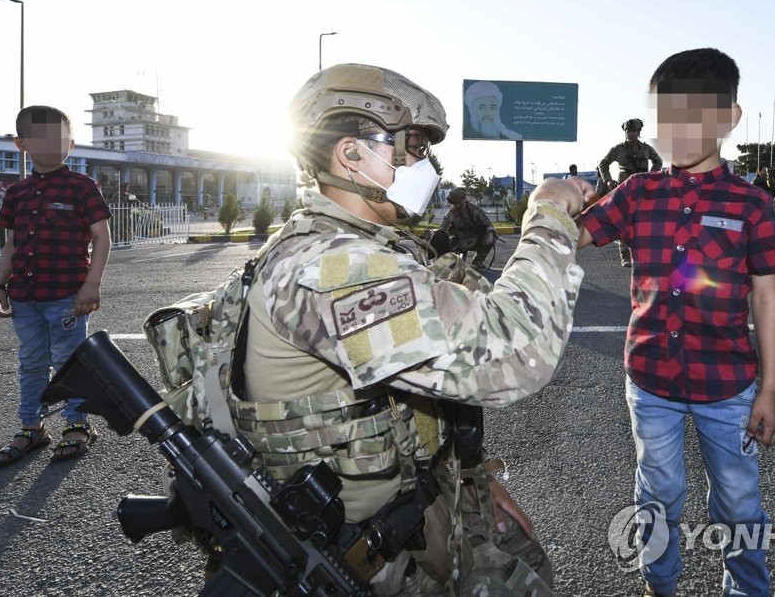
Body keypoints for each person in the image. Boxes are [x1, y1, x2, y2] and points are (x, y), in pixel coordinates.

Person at [235, 63, 593, 595]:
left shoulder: (370, 249)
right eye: (414, 146)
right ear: (352, 154)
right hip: (360, 561)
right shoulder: (327, 270)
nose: (425, 163)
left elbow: (419, 390)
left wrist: (475, 482)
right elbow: (512, 351)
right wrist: (547, 215)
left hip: (417, 512)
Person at [579, 48, 775, 597]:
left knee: (739, 501)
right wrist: (552, 204)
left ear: (728, 118)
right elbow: (573, 235)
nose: (678, 128)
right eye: (666, 115)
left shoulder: (751, 204)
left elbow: (767, 301)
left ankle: (747, 589)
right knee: (658, 494)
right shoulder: (638, 192)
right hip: (650, 382)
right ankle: (660, 584)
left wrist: (769, 390)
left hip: (729, 387)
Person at [0, 106, 112, 467]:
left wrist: (92, 284)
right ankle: (31, 428)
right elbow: (10, 247)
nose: (54, 144)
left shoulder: (82, 187)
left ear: (71, 142)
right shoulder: (17, 193)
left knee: (69, 362)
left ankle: (77, 425)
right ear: (21, 143)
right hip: (24, 299)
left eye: (62, 138)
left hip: (67, 297)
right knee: (31, 363)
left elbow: (102, 238)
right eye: (42, 138)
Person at [598, 118, 664, 266]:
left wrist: (651, 176)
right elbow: (603, 163)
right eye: (629, 131)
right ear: (625, 132)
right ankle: (625, 255)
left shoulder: (646, 149)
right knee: (624, 221)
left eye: (634, 131)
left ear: (639, 132)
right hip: (624, 187)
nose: (631, 134)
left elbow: (658, 162)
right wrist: (608, 180)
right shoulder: (618, 148)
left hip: (642, 188)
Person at [439, 186, 498, 267]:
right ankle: (458, 260)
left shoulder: (474, 210)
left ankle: (477, 261)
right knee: (458, 267)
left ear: (463, 201)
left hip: (474, 240)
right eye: (453, 204)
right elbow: (442, 230)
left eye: (456, 203)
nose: (454, 206)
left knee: (493, 236)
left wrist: (490, 235)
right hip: (459, 244)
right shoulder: (450, 213)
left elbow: (488, 223)